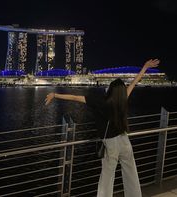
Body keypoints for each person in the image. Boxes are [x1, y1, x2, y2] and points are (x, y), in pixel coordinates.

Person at [45, 59, 160, 197]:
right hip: (124, 141)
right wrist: (144, 68)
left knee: (106, 179)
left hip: (111, 144)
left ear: (110, 90)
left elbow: (75, 97)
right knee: (131, 174)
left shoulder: (101, 102)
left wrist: (55, 95)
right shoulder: (123, 99)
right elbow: (134, 83)